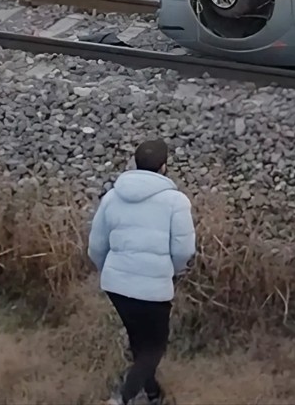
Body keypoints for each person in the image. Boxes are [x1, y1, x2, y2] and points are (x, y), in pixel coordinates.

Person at [88, 139, 196, 405]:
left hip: (116, 286)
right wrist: (173, 272)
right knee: (154, 348)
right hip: (154, 288)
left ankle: (152, 394)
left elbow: (96, 246)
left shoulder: (112, 196)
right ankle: (121, 399)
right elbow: (184, 250)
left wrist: (110, 272)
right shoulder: (176, 201)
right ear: (164, 167)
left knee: (139, 342)